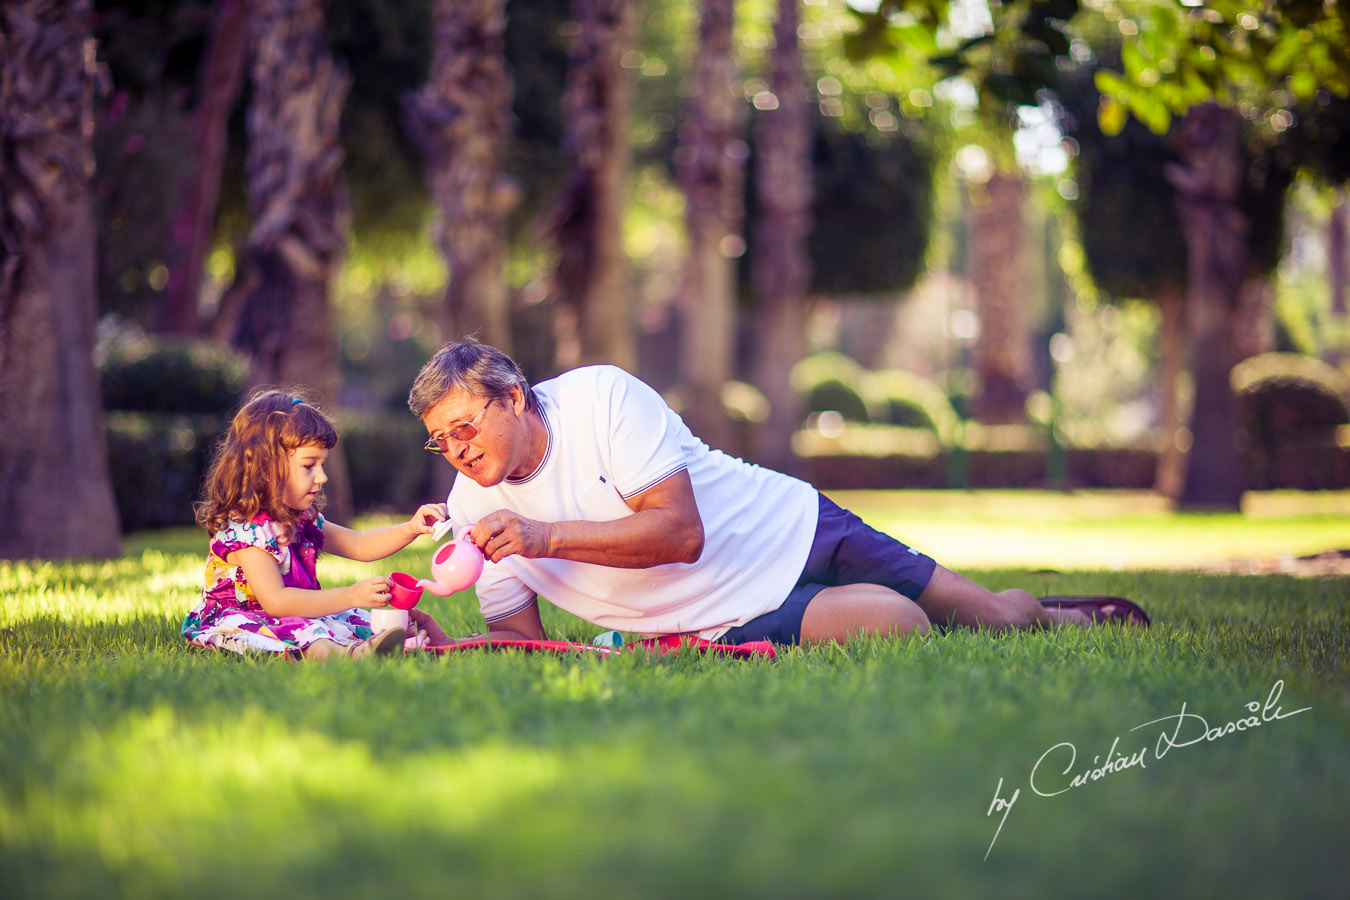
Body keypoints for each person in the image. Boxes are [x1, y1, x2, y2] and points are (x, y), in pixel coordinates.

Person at [409, 340, 1147, 647]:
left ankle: (1035, 610)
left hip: (792, 527)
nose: (457, 448)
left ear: (513, 399)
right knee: (899, 627)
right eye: (441, 439)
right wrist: (446, 644)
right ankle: (958, 610)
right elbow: (524, 647)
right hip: (721, 616)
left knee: (993, 621)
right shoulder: (474, 510)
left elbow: (679, 533)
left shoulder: (600, 398)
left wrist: (544, 537)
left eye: (465, 425)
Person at [184, 390, 451, 660]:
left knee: (360, 620)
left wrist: (411, 528)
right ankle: (350, 656)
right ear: (265, 467)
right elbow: (276, 602)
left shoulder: (300, 518)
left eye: (322, 464)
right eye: (309, 465)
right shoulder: (247, 530)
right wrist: (349, 595)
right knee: (309, 634)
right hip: (248, 619)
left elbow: (360, 544)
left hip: (295, 613)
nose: (322, 477)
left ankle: (397, 644)